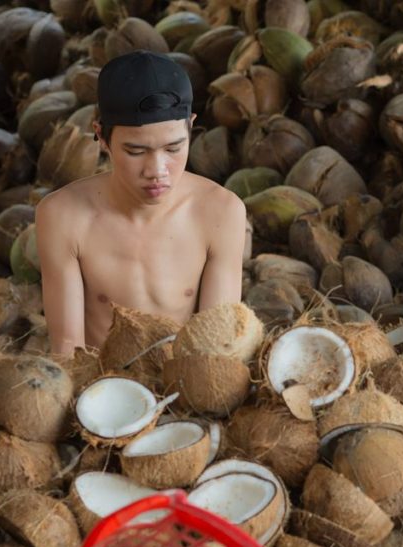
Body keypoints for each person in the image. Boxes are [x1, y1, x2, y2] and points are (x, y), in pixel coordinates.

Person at [35, 50, 247, 356]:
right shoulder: (62, 216)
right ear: (102, 137)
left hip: (188, 377)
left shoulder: (221, 212)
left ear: (191, 126)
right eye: (135, 151)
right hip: (99, 379)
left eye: (173, 148)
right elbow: (68, 349)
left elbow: (217, 347)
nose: (157, 171)